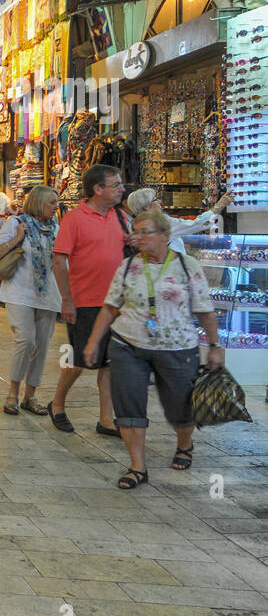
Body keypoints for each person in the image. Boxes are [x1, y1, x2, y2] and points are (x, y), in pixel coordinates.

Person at [83, 210, 223, 490]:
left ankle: (184, 444)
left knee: (180, 407)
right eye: (136, 232)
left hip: (177, 347)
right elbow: (111, 306)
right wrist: (94, 341)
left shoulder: (187, 266)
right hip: (128, 344)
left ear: (165, 236)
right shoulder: (128, 266)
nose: (139, 238)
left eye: (145, 232)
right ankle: (138, 466)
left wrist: (215, 345)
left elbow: (205, 310)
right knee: (129, 406)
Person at [48, 163, 130, 436]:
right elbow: (59, 260)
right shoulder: (74, 218)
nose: (122, 189)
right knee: (79, 359)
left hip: (116, 303)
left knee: (109, 362)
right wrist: (67, 300)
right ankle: (57, 403)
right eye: (116, 185)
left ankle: (106, 419)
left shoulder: (120, 216)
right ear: (98, 189)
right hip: (85, 301)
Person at [0, 185, 61, 415]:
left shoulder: (56, 228)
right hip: (20, 291)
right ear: (38, 203)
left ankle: (30, 395)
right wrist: (17, 239)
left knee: (41, 345)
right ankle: (12, 392)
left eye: (56, 203)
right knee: (26, 340)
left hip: (48, 294)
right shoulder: (16, 223)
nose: (56, 207)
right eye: (51, 203)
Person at [125, 188, 234, 254]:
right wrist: (220, 205)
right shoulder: (159, 223)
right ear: (146, 207)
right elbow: (197, 224)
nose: (159, 201)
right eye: (155, 199)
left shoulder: (135, 224)